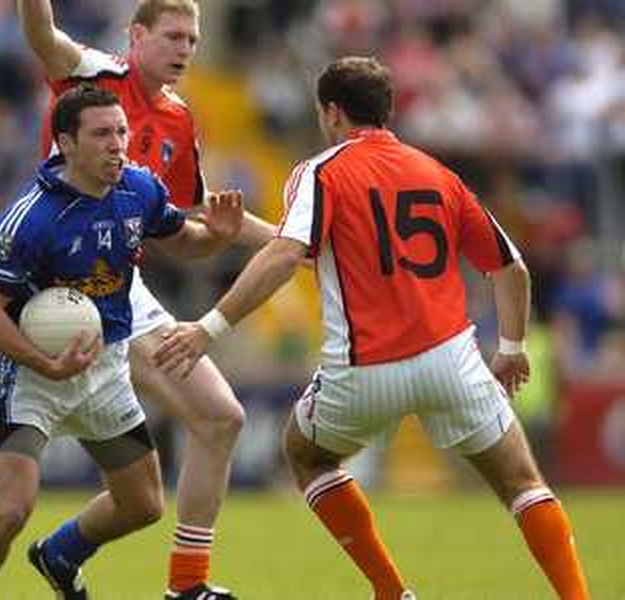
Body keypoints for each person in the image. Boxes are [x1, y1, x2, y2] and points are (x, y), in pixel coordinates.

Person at [153, 57, 591, 600]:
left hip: (364, 369)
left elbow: (288, 255)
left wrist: (208, 328)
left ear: (332, 112)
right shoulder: (437, 173)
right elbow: (511, 267)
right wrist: (512, 346)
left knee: (306, 455)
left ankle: (389, 590)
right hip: (450, 360)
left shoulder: (321, 171)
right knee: (523, 483)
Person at [0, 1, 274, 599]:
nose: (185, 49)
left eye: (193, 39)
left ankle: (179, 583)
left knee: (219, 416)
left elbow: (188, 224)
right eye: (173, 36)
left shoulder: (178, 124)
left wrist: (295, 240)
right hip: (48, 286)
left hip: (119, 287)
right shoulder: (94, 75)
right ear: (136, 36)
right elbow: (40, 35)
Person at [0, 85, 242, 600]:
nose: (118, 144)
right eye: (102, 134)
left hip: (105, 372)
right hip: (30, 380)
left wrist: (215, 235)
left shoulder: (138, 189)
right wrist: (45, 361)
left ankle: (59, 553)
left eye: (122, 131)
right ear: (65, 142)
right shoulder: (30, 221)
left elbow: (185, 243)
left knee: (144, 504)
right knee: (11, 509)